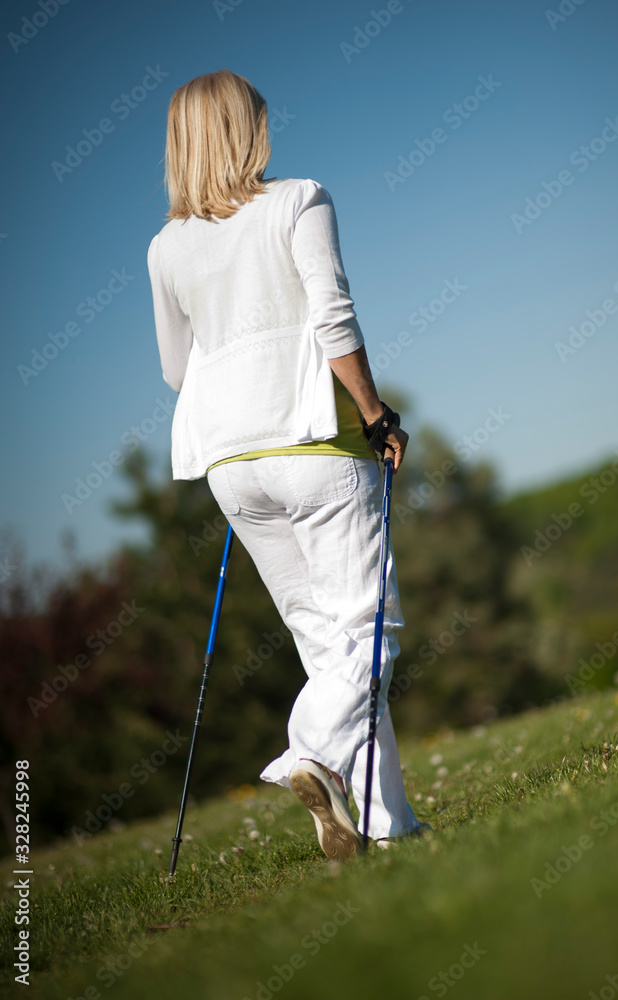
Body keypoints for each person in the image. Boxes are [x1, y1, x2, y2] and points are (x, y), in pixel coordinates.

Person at [147, 68, 424, 860]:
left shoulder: (165, 248)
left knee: (326, 648)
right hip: (314, 447)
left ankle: (386, 826)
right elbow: (332, 314)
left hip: (232, 464)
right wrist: (376, 414)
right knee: (370, 634)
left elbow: (177, 369)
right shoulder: (298, 198)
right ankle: (308, 752)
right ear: (249, 127)